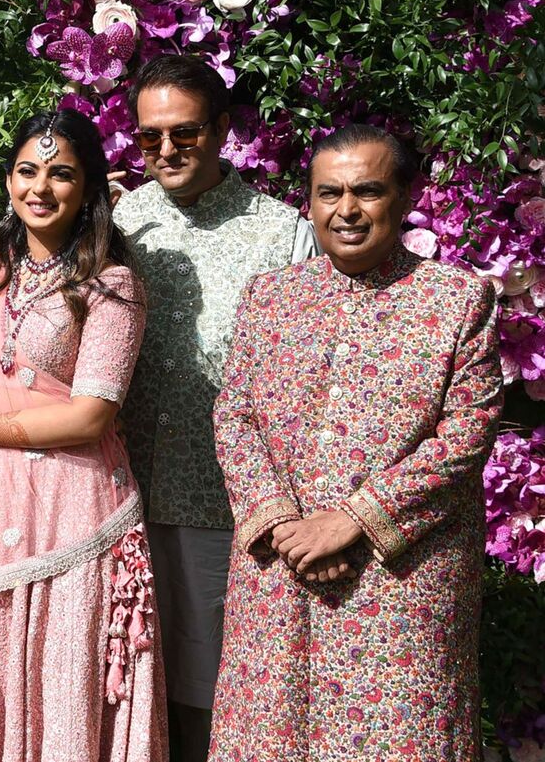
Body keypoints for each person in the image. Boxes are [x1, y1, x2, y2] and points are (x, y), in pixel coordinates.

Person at [209, 125, 501, 760]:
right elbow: (234, 414)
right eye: (328, 192)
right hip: (279, 572)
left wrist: (353, 521)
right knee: (271, 735)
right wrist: (287, 527)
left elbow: (467, 432)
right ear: (309, 201)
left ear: (403, 197)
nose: (346, 209)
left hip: (399, 581)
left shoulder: (456, 300)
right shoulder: (271, 297)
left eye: (367, 191)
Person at [0, 110, 166, 761]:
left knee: (64, 686)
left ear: (89, 188)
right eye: (27, 171)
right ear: (7, 181)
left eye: (61, 174)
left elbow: (91, 414)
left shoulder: (112, 283)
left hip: (74, 516)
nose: (41, 187)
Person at [109, 54, 319, 761]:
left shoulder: (281, 232)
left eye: (185, 133)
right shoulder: (121, 218)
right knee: (124, 687)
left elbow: (298, 380)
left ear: (223, 130)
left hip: (221, 506)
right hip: (120, 495)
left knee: (209, 698)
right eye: (148, 137)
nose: (165, 150)